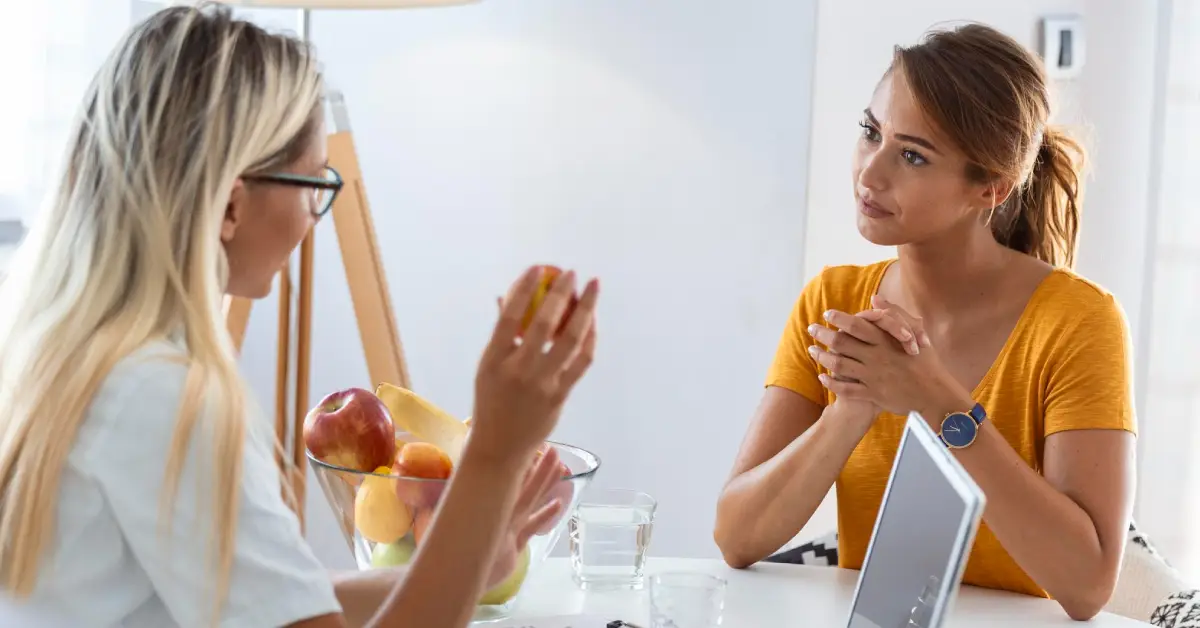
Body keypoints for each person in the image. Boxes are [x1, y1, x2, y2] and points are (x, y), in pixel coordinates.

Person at [0, 5, 599, 628]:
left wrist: (473, 562)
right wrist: (495, 456)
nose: (315, 220)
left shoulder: (60, 353)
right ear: (231, 207)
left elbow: (287, 603)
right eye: (315, 185)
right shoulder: (164, 398)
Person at [714, 23, 1135, 621]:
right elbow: (737, 537)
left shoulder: (1077, 321)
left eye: (912, 155)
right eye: (871, 133)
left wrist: (936, 402)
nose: (870, 173)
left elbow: (1088, 585)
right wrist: (854, 405)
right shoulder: (833, 300)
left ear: (990, 188)